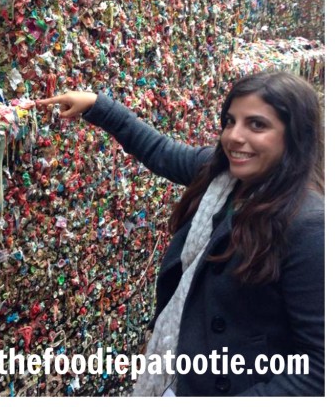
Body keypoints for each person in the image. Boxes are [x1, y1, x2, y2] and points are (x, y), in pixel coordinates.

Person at [37, 71, 323, 395]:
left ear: (295, 136)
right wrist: (96, 105)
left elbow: (320, 371)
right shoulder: (222, 177)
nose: (234, 137)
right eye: (230, 121)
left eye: (257, 125)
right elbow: (159, 150)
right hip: (181, 374)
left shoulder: (309, 228)